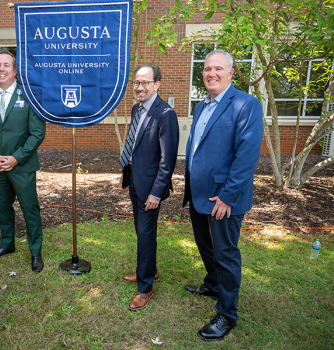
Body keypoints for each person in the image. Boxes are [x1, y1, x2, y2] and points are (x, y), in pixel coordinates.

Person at [182, 50, 263, 341]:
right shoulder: (201, 106)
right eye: (206, 68)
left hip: (223, 199)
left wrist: (228, 196)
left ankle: (227, 314)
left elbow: (246, 157)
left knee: (226, 254)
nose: (211, 73)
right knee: (205, 245)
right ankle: (213, 284)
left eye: (218, 68)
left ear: (230, 73)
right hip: (198, 193)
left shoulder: (246, 104)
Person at [0, 49, 46, 272]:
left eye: (6, 65)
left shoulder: (29, 97)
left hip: (22, 166)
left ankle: (36, 252)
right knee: (3, 207)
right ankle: (7, 245)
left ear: (15, 71)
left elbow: (37, 133)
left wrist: (16, 158)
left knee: (30, 208)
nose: (1, 69)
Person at [119, 64, 179, 311]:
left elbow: (168, 159)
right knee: (142, 231)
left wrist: (156, 192)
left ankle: (145, 288)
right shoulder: (137, 108)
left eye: (145, 82)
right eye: (136, 83)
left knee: (144, 235)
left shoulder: (165, 114)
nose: (139, 87)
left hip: (151, 188)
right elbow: (136, 144)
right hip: (135, 180)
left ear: (157, 84)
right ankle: (150, 272)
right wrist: (127, 174)